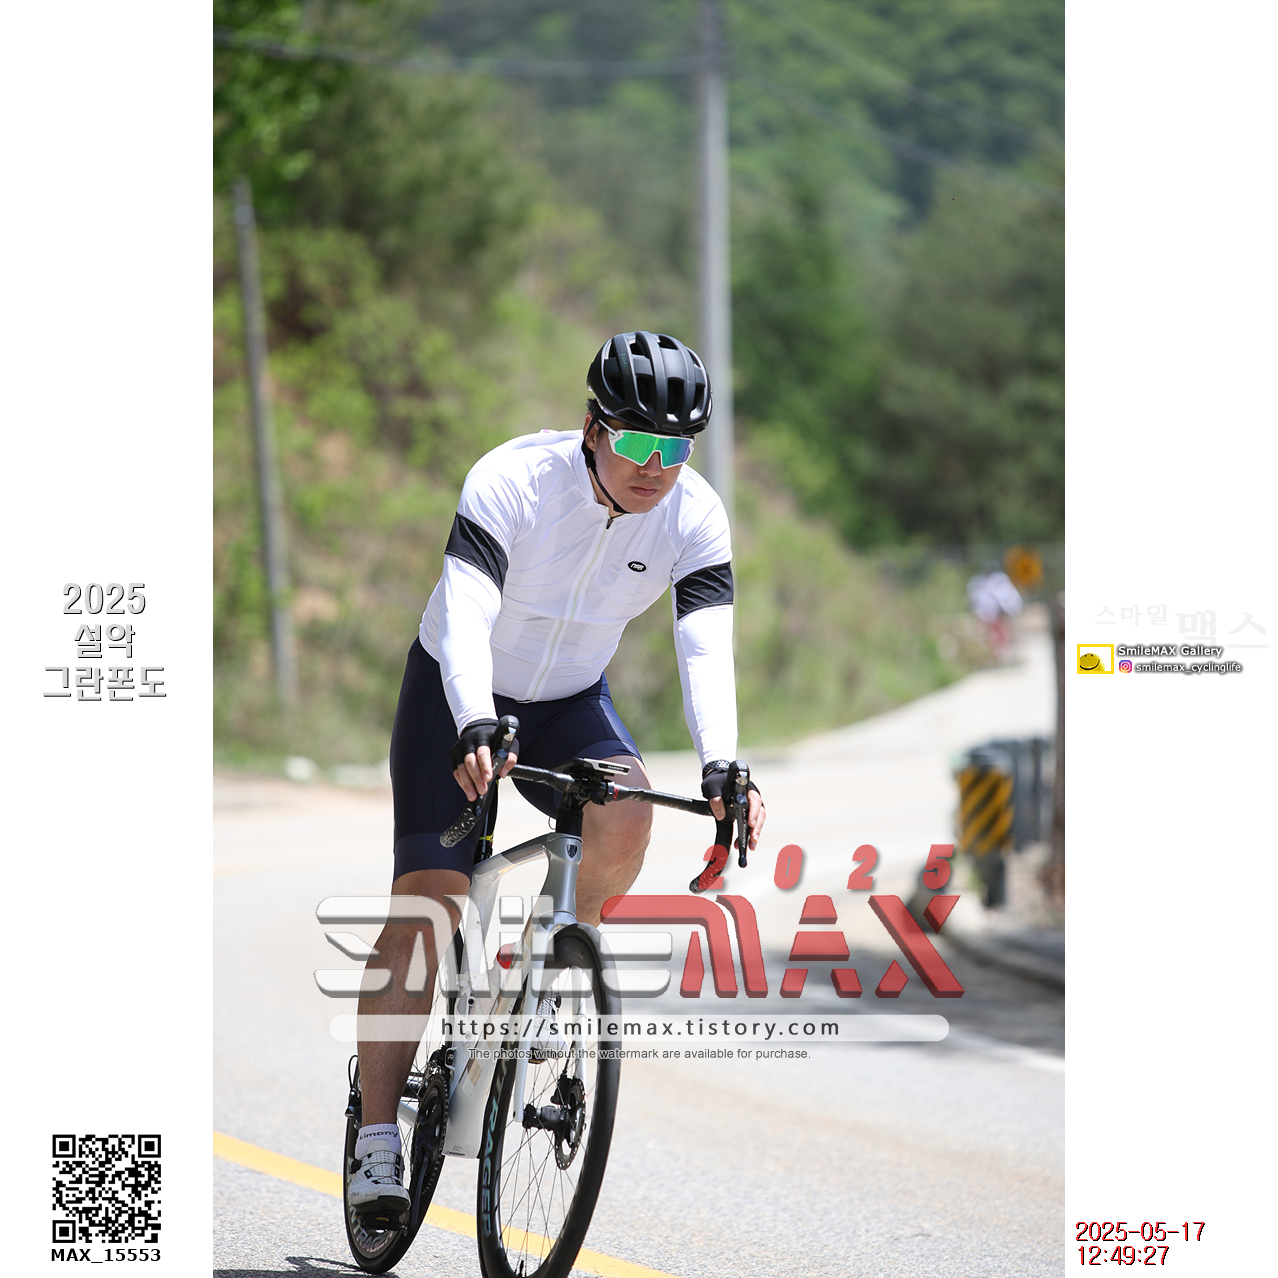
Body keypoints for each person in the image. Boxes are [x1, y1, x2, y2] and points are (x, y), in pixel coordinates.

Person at [347, 330, 767, 1215]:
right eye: (638, 440)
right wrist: (472, 716)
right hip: (457, 690)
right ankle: (378, 1136)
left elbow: (705, 644)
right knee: (429, 903)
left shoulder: (694, 515)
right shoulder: (513, 479)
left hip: (570, 699)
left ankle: (551, 961)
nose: (655, 467)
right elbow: (467, 612)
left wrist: (723, 764)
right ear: (592, 427)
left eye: (676, 447)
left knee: (627, 811)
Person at [966, 561, 1024, 662]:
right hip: (993, 613)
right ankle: (998, 653)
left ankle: (1005, 652)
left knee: (1002, 631)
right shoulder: (983, 582)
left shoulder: (1000, 581)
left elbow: (1005, 597)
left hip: (1000, 611)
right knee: (995, 633)